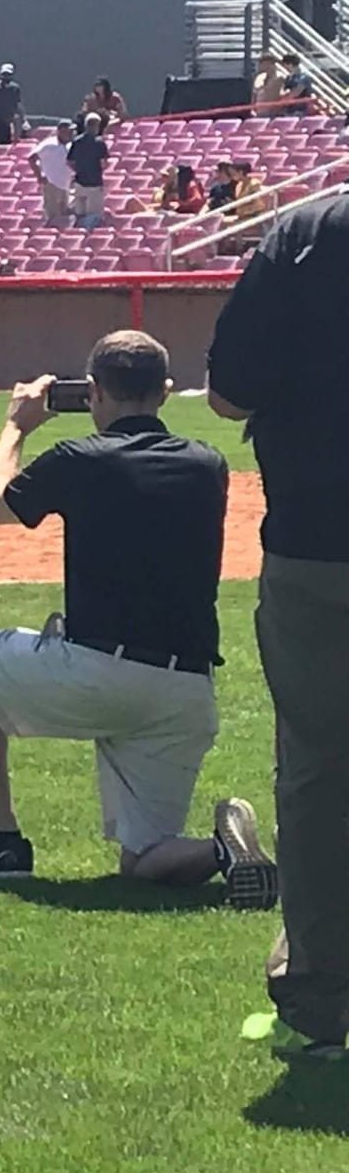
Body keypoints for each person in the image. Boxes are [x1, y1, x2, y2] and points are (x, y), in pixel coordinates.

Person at [0, 331, 279, 900]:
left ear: (94, 392)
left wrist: (16, 427)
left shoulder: (78, 458)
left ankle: (5, 839)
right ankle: (224, 849)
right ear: (166, 392)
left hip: (99, 673)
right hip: (185, 690)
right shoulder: (209, 465)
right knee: (144, 862)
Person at [208, 195, 349, 1061]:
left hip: (315, 544)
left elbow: (226, 394)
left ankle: (322, 999)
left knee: (317, 773)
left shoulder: (302, 236)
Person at [67, 114, 110, 230]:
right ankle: (88, 239)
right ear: (96, 126)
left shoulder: (77, 141)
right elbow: (103, 163)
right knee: (93, 216)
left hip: (79, 182)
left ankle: (77, 238)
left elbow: (69, 161)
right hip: (94, 183)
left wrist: (79, 170)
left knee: (80, 214)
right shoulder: (99, 142)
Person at [28, 121, 76, 226]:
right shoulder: (49, 144)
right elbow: (32, 158)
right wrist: (39, 176)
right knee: (52, 215)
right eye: (69, 131)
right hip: (51, 184)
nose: (71, 133)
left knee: (63, 215)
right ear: (61, 131)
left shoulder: (69, 146)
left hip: (65, 185)